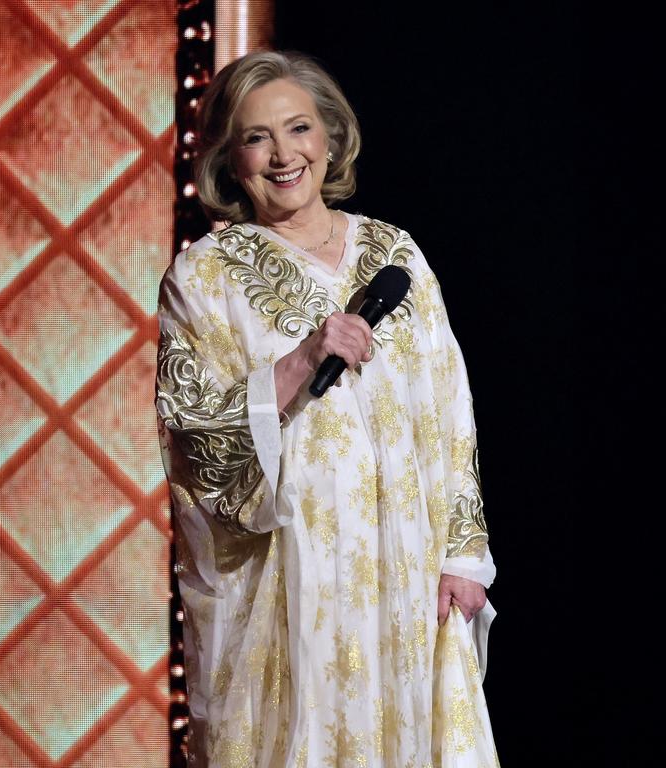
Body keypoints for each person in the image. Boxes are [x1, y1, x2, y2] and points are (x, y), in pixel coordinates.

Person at [156, 50, 499, 767]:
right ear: (230, 158)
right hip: (292, 575)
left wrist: (464, 554)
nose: (283, 154)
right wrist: (299, 361)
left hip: (407, 565)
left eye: (299, 128)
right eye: (257, 137)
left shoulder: (393, 254)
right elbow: (195, 441)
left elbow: (450, 408)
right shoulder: (205, 278)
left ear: (330, 138)